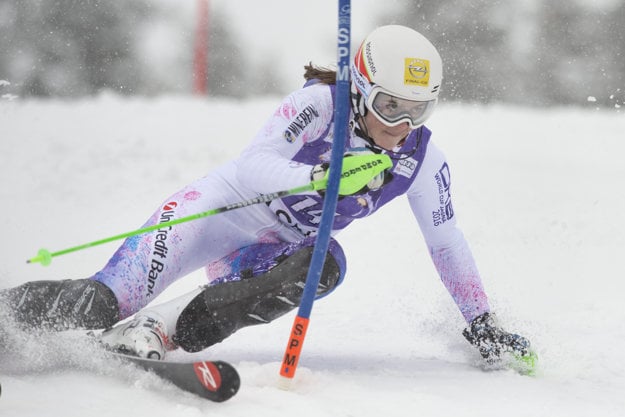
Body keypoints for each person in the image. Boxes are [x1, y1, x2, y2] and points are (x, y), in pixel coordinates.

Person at [0, 25, 532, 366]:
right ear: (363, 89)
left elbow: (446, 242)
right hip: (215, 213)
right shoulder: (322, 104)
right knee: (101, 303)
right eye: (392, 106)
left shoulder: (421, 160)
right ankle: (9, 318)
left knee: (326, 264)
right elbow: (253, 163)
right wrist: (320, 178)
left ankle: (157, 330)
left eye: (420, 110)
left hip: (267, 255)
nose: (403, 125)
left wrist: (481, 322)